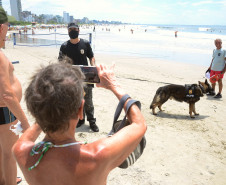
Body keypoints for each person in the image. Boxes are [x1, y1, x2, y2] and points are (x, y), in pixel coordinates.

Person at [12, 62, 147, 185]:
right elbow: (139, 123)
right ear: (81, 110)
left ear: (34, 111)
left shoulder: (21, 152)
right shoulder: (97, 155)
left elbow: (40, 118)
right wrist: (113, 85)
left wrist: (47, 106)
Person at [0, 7, 30, 185]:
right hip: (5, 111)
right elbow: (6, 95)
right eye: (8, 27)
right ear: (1, 27)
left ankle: (4, 179)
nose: (7, 33)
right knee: (9, 153)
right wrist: (25, 123)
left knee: (1, 150)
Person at [58, 22, 99, 132]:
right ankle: (81, 120)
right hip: (71, 78)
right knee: (77, 100)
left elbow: (91, 57)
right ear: (68, 31)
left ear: (78, 30)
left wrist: (93, 67)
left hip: (86, 77)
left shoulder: (85, 43)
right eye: (70, 29)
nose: (72, 31)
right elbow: (60, 62)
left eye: (74, 29)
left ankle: (92, 121)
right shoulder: (64, 46)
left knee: (88, 101)